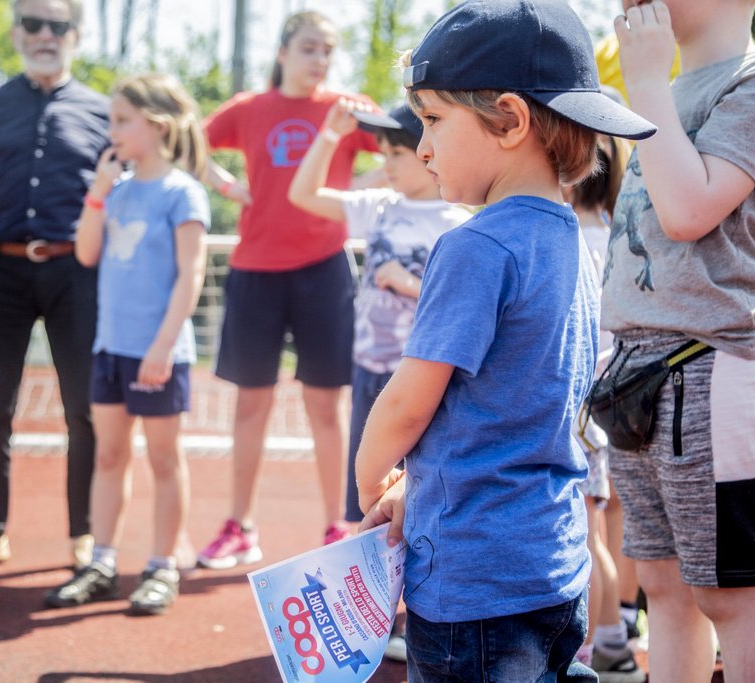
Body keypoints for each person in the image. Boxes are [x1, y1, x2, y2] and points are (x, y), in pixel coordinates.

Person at [355, 1, 656, 680]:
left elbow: (409, 401)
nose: (421, 144)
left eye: (432, 118)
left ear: (511, 120)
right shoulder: (574, 241)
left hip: (472, 580)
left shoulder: (474, 245)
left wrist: (373, 477)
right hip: (552, 564)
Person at [601, 1, 755, 680]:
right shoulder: (666, 89)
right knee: (666, 589)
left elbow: (688, 211)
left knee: (729, 592)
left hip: (710, 365)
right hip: (637, 367)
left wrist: (644, 87)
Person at [288, 100, 470, 663]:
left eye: (398, 151)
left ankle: (423, 617)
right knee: (369, 501)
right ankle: (373, 615)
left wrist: (407, 283)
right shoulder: (382, 207)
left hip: (417, 382)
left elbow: (459, 308)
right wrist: (328, 136)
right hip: (370, 372)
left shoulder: (457, 220)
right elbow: (303, 196)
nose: (388, 163)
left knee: (417, 499)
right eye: (384, 152)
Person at [197, 10, 379, 570]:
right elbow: (188, 141)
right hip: (255, 269)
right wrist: (227, 185)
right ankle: (239, 527)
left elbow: (410, 154)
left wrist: (360, 193)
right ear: (283, 52)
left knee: (328, 407)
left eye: (327, 49)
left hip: (324, 269)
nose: (319, 59)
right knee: (251, 404)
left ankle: (336, 525)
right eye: (308, 48)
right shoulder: (250, 109)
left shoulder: (347, 111)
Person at [0, 0, 109, 573]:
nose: (45, 35)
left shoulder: (105, 112)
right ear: (16, 33)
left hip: (77, 274)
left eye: (58, 26)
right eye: (34, 24)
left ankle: (85, 534)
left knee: (84, 410)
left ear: (76, 36)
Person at [43, 73, 209, 616]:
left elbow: (191, 276)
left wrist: (162, 345)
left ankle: (162, 567)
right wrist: (96, 194)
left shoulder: (182, 192)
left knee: (164, 459)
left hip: (159, 352)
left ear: (155, 125)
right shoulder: (114, 191)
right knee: (109, 456)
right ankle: (102, 563)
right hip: (110, 349)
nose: (110, 130)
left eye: (120, 120)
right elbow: (86, 254)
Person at [569, 132, 646, 682]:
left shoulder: (570, 233)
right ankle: (618, 628)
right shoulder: (621, 231)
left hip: (583, 399)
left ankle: (604, 642)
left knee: (588, 528)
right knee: (612, 516)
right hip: (620, 392)